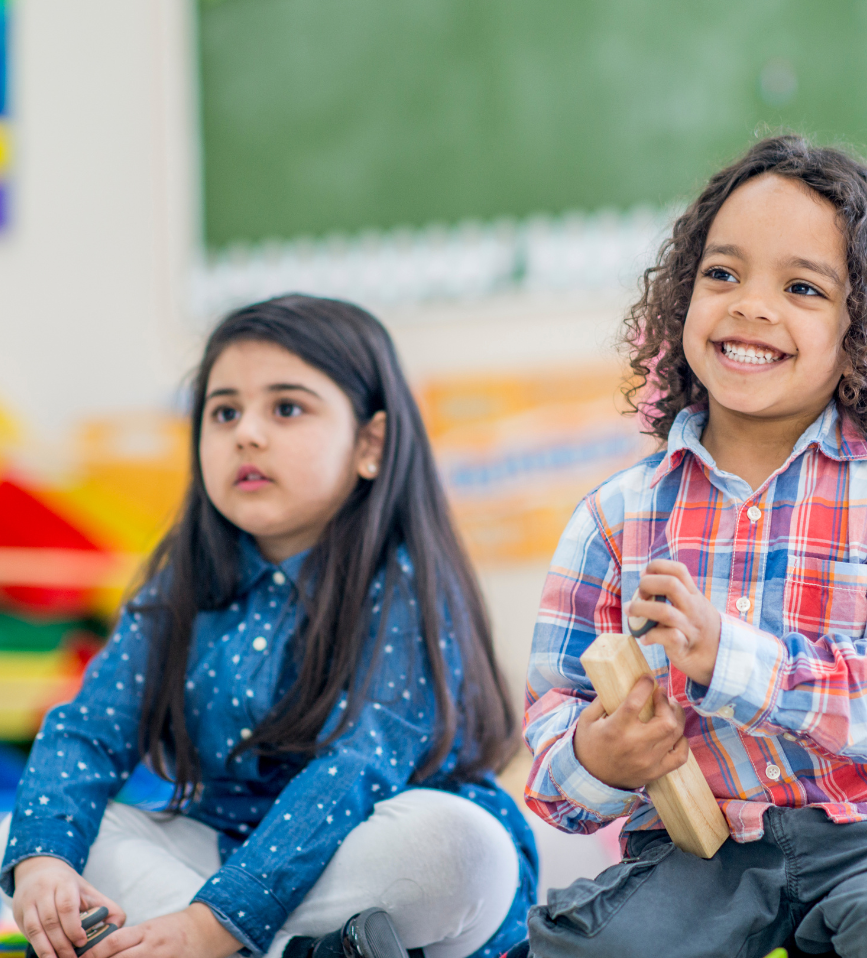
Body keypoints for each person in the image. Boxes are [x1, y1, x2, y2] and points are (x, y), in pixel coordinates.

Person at [517, 136, 867, 957]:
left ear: (866, 328)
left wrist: (730, 659)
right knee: (592, 946)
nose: (751, 305)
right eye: (722, 274)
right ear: (682, 298)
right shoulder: (614, 518)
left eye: (801, 287)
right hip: (699, 851)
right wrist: (600, 757)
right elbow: (553, 717)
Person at [1, 295, 537, 958]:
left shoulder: (402, 582)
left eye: (286, 408)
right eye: (224, 412)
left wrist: (211, 925)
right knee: (34, 836)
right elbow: (88, 732)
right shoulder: (182, 583)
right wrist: (43, 866)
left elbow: (353, 768)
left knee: (460, 846)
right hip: (219, 859)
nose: (246, 433)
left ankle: (233, 943)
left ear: (370, 444)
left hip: (367, 862)